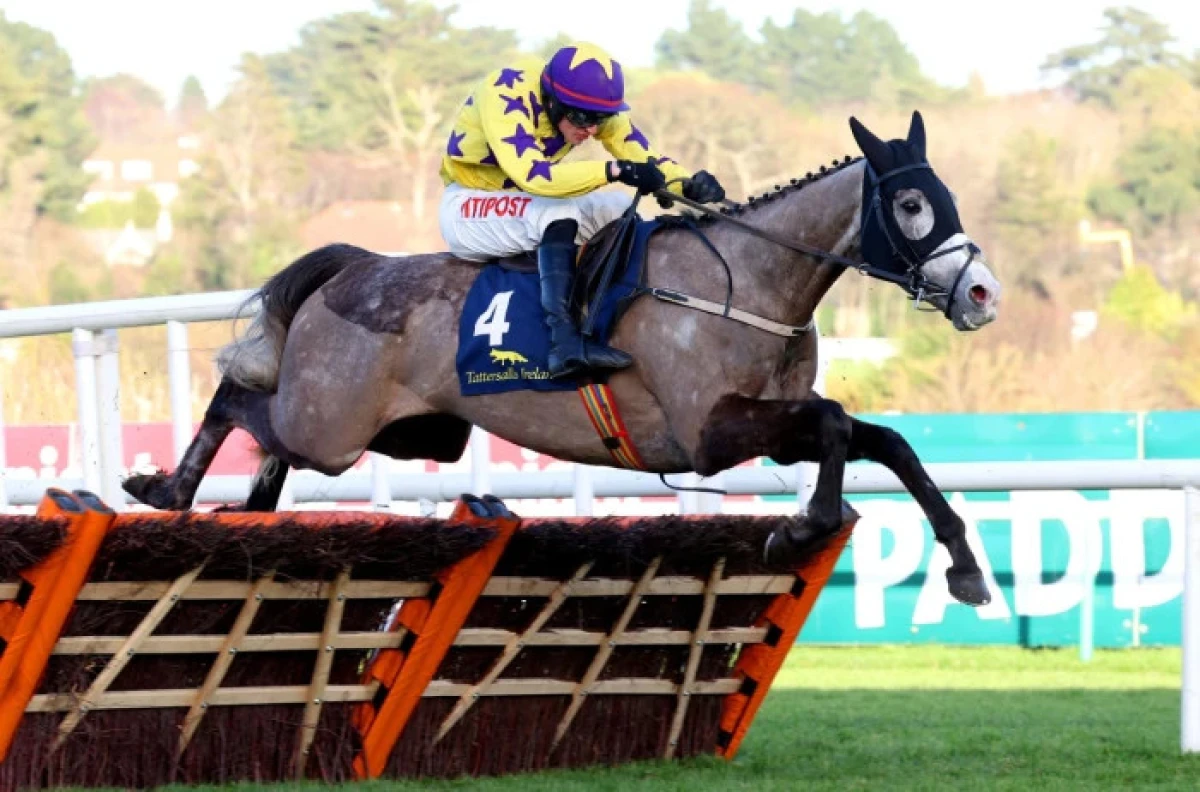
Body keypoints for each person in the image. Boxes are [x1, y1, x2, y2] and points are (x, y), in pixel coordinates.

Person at [438, 41, 726, 380]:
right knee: (555, 214)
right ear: (551, 99)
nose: (590, 129)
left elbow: (641, 155)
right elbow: (535, 177)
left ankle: (611, 316)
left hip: (523, 204)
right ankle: (564, 344)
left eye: (600, 119)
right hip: (468, 204)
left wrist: (685, 184)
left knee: (618, 208)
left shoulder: (590, 108)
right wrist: (615, 171)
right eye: (580, 117)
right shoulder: (505, 91)